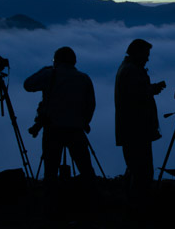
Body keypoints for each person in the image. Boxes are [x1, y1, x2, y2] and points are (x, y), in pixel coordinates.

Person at [24, 46, 97, 189]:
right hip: (76, 129)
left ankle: (51, 202)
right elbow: (91, 105)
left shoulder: (49, 75)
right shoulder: (84, 78)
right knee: (85, 167)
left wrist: (44, 70)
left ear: (56, 60)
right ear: (74, 61)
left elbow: (28, 85)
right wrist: (84, 122)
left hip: (53, 128)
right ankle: (91, 197)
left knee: (51, 170)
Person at [114, 38, 166, 210]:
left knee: (135, 166)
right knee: (142, 170)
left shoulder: (128, 69)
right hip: (136, 129)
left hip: (131, 128)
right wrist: (151, 90)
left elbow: (135, 92)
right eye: (146, 54)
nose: (148, 58)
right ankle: (139, 206)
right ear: (137, 53)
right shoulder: (131, 71)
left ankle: (132, 202)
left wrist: (150, 89)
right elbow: (136, 97)